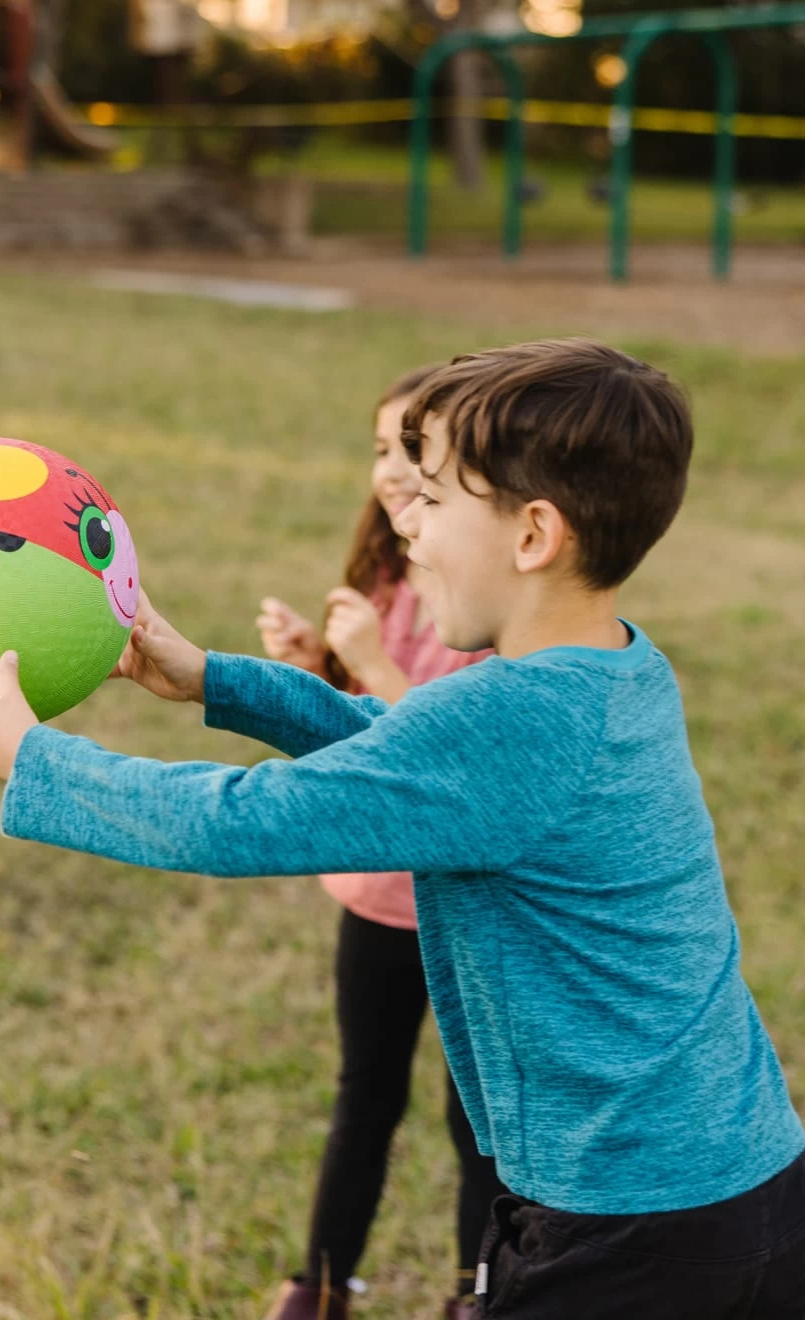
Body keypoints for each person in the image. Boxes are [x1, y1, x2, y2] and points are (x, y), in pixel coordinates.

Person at [0, 340, 805, 1319]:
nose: (406, 531)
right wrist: (215, 679)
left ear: (534, 534)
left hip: (628, 1229)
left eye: (435, 502)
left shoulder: (507, 718)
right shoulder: (615, 673)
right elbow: (408, 751)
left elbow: (233, 824)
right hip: (750, 1182)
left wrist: (31, 757)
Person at [255, 364, 503, 1320]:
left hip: (465, 896)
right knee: (365, 1094)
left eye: (413, 450)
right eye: (378, 449)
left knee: (473, 1115)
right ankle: (321, 1283)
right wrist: (318, 668)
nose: (391, 470)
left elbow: (454, 750)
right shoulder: (386, 576)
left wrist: (368, 660)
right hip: (377, 893)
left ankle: (475, 1294)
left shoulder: (478, 600)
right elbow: (362, 738)